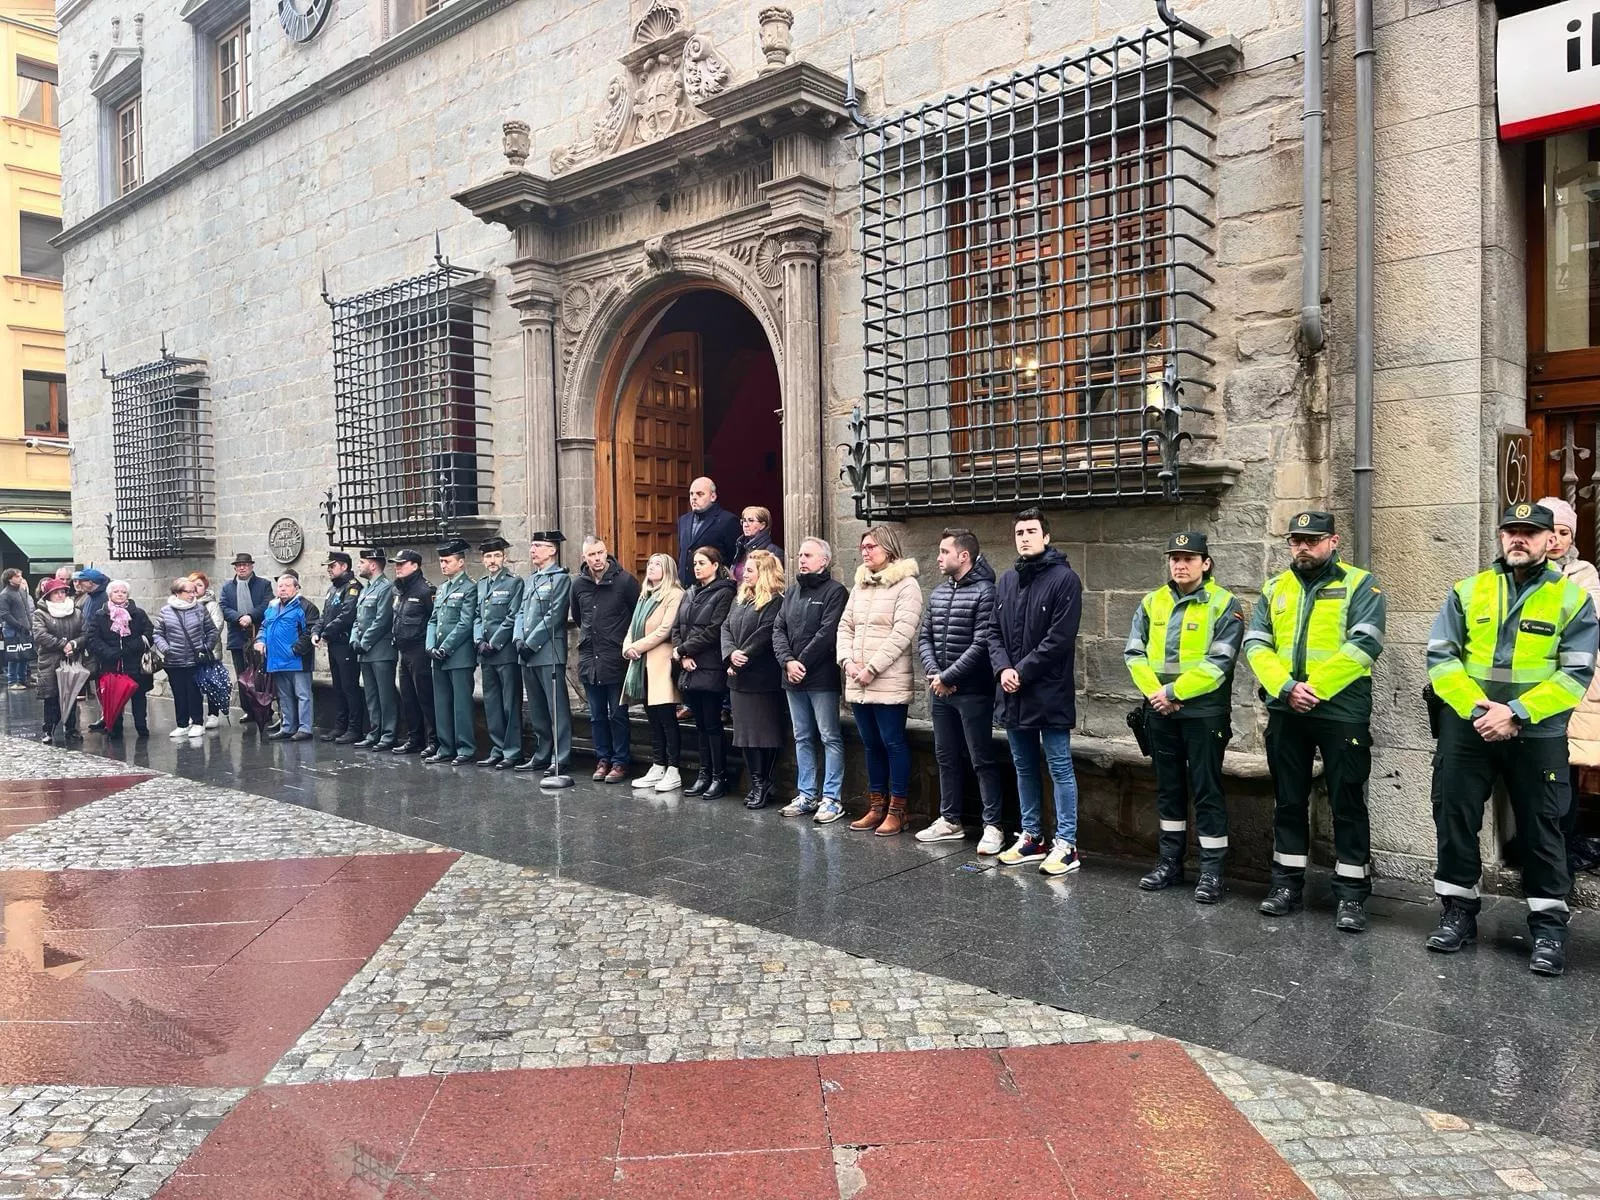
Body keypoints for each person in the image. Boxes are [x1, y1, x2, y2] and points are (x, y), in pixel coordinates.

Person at [1425, 502, 1599, 977]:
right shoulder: (1468, 590)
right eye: (1511, 532)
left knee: (1542, 829)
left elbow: (1576, 673)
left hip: (1536, 730)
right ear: (1501, 537)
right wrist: (1482, 710)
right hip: (1470, 727)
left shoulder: (1571, 598)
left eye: (1530, 532)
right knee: (1455, 819)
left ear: (1550, 541)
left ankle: (1548, 928)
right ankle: (1458, 912)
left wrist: (1516, 713)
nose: (1518, 539)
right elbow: (1441, 658)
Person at [1244, 510, 1387, 932]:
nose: (1303, 547)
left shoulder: (1360, 584)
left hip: (1341, 710)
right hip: (1287, 707)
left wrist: (1315, 688)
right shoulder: (1274, 588)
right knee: (1288, 799)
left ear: (1333, 541)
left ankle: (1351, 895)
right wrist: (1286, 687)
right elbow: (1256, 644)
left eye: (1312, 539)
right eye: (1295, 540)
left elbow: (1366, 643)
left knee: (1346, 800)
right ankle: (1286, 884)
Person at [1124, 533, 1247, 903]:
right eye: (1175, 558)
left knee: (1207, 789)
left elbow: (1220, 663)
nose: (1180, 564)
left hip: (1203, 713)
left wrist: (1174, 693)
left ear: (1205, 563)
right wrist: (1156, 695)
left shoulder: (1225, 604)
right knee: (1169, 789)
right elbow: (1134, 653)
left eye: (1189, 558)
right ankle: (1170, 863)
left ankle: (1210, 871)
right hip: (1160, 711)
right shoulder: (1152, 602)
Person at [993, 509, 1083, 875]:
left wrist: (1022, 671)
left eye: (1031, 531)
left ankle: (1067, 843)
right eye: (1019, 532)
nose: (1025, 537)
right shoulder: (1007, 580)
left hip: (1048, 690)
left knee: (1059, 765)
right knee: (1023, 765)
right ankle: (1032, 836)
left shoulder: (1065, 580)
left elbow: (1059, 639)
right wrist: (1002, 669)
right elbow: (991, 631)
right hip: (1013, 691)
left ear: (1046, 537)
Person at [915, 528, 1004, 851]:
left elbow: (983, 642)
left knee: (982, 759)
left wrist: (949, 675)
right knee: (946, 756)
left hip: (973, 691)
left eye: (944, 552)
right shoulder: (938, 593)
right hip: (940, 691)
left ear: (963, 556)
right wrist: (935, 674)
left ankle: (993, 825)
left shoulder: (986, 592)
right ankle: (950, 820)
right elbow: (924, 636)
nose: (938, 558)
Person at [838, 525, 923, 836]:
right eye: (863, 547)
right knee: (871, 744)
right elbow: (845, 626)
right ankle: (876, 806)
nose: (865, 551)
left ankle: (897, 810)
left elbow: (903, 633)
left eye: (871, 546)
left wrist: (871, 668)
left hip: (886, 679)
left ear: (888, 549)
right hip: (858, 679)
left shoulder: (906, 585)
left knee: (893, 742)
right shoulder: (860, 586)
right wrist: (847, 661)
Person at [1539, 496, 1600, 874]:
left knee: (1569, 766)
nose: (1557, 540)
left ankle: (1564, 840)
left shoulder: (1583, 573)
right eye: (1552, 532)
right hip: (1537, 682)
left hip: (1575, 683)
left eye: (1565, 533)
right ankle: (1544, 844)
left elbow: (1587, 618)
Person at [773, 537, 849, 823]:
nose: (801, 559)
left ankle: (831, 798)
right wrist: (787, 662)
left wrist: (800, 662)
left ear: (824, 560)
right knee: (802, 736)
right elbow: (778, 629)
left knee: (829, 736)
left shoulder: (835, 592)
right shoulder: (792, 593)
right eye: (800, 554)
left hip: (821, 678)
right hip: (792, 678)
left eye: (808, 555)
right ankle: (806, 794)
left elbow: (827, 634)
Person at [573, 536, 642, 783]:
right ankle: (603, 759)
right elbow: (579, 617)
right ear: (585, 558)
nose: (597, 559)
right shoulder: (578, 585)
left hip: (615, 658)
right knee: (596, 715)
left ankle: (621, 761)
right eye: (591, 555)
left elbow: (638, 617)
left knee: (618, 714)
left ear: (606, 553)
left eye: (600, 553)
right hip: (590, 659)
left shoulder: (625, 581)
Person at [723, 549, 787, 809]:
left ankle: (764, 782)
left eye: (750, 570)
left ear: (764, 573)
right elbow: (725, 627)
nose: (744, 574)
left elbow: (765, 633)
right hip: (738, 679)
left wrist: (742, 657)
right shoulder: (740, 599)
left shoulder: (776, 601)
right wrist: (730, 655)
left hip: (762, 679)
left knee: (764, 735)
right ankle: (756, 781)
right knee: (745, 736)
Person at [671, 546, 737, 796]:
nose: (696, 567)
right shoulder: (689, 593)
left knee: (712, 724)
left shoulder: (724, 593)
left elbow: (713, 629)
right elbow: (677, 626)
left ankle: (719, 777)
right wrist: (682, 654)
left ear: (715, 565)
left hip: (709, 664)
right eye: (695, 563)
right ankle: (703, 773)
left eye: (702, 563)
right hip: (688, 666)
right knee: (699, 724)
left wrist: (685, 651)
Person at [622, 552, 686, 792]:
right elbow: (633, 626)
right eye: (649, 564)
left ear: (668, 569)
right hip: (641, 663)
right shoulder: (644, 594)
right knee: (652, 718)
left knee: (667, 718)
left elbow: (664, 630)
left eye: (657, 564)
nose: (651, 568)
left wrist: (636, 647)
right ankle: (658, 764)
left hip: (660, 662)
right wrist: (627, 647)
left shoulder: (674, 594)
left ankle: (673, 768)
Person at [514, 531, 573, 778]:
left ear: (552, 550)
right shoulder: (530, 580)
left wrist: (531, 643)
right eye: (532, 545)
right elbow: (519, 612)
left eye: (538, 545)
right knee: (537, 707)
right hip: (526, 653)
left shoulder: (560, 579)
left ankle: (560, 757)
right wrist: (518, 638)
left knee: (555, 708)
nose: (533, 550)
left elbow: (555, 614)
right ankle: (542, 753)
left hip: (547, 652)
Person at [425, 539, 479, 765]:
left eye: (447, 561)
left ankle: (465, 748)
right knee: (442, 703)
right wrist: (430, 646)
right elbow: (433, 620)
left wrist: (446, 646)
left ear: (461, 563)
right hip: (438, 655)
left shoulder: (469, 587)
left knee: (461, 705)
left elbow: (465, 623)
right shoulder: (443, 588)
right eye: (441, 561)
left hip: (458, 656)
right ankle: (446, 747)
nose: (443, 565)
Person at [475, 536, 525, 769]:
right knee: (492, 703)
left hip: (504, 653)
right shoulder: (482, 583)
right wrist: (478, 640)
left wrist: (494, 642)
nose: (492, 560)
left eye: (496, 556)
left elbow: (512, 616)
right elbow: (477, 616)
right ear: (483, 560)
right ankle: (497, 748)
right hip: (485, 654)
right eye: (488, 556)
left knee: (509, 704)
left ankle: (513, 751)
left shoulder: (514, 583)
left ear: (504, 558)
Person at [154, 577, 219, 741]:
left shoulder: (200, 609)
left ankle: (198, 723)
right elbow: (158, 634)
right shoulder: (165, 611)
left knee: (194, 691)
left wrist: (206, 647)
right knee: (179, 692)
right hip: (173, 660)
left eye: (194, 591)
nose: (192, 595)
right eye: (188, 592)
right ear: (177, 593)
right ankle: (182, 724)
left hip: (195, 658)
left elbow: (212, 631)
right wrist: (166, 649)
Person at [86, 580, 152, 739]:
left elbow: (149, 633)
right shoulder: (101, 615)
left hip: (135, 664)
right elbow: (92, 638)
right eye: (116, 592)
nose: (120, 594)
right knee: (114, 698)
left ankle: (141, 726)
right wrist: (108, 652)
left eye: (123, 592)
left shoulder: (138, 613)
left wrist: (132, 647)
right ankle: (115, 727)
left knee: (139, 697)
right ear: (110, 594)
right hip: (111, 665)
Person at [310, 552, 365, 743]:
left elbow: (347, 615)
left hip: (345, 643)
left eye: (332, 566)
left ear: (344, 567)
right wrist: (316, 632)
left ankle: (354, 728)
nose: (329, 570)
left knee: (350, 687)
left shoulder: (353, 588)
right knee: (339, 687)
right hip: (333, 644)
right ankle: (340, 726)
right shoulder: (332, 589)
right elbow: (324, 615)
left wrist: (326, 633)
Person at [350, 549, 399, 751]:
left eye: (362, 562)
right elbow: (358, 618)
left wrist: (365, 641)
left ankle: (388, 734)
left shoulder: (386, 588)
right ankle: (374, 731)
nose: (359, 566)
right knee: (371, 695)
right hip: (365, 652)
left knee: (385, 695)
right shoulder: (366, 589)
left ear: (373, 565)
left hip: (380, 650)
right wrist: (354, 638)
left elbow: (383, 619)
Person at [255, 574, 314, 741]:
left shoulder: (305, 606)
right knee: (284, 695)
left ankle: (305, 728)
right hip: (276, 660)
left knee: (303, 695)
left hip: (297, 660)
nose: (282, 589)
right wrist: (260, 641)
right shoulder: (272, 606)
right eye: (280, 586)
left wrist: (295, 650)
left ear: (296, 588)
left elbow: (310, 630)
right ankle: (288, 726)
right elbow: (264, 626)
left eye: (287, 586)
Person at [391, 548, 437, 756]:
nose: (397, 567)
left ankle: (433, 740)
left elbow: (433, 620)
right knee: (408, 697)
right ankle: (414, 738)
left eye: (402, 564)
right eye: (396, 564)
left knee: (425, 698)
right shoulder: (400, 590)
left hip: (419, 651)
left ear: (415, 566)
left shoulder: (425, 590)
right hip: (404, 650)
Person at [220, 553, 272, 723]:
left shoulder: (264, 584)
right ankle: (248, 710)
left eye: (245, 564)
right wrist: (238, 618)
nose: (242, 568)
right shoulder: (228, 587)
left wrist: (250, 616)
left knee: (261, 674)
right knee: (242, 675)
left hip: (258, 635)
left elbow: (266, 604)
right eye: (239, 565)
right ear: (235, 568)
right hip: (237, 637)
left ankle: (265, 708)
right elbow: (224, 607)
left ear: (251, 566)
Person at [30, 577, 83, 741]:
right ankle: (48, 729)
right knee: (51, 696)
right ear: (48, 595)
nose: (60, 595)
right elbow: (40, 635)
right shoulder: (40, 614)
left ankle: (71, 728)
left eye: (62, 592)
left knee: (71, 693)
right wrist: (62, 644)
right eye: (56, 593)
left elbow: (84, 633)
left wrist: (73, 644)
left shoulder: (76, 611)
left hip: (71, 658)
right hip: (50, 660)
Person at [676, 476, 741, 587]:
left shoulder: (727, 520)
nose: (694, 498)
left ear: (713, 496)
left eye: (700, 494)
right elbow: (683, 552)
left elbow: (734, 558)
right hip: (686, 588)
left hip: (714, 588)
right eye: (691, 494)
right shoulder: (684, 520)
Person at [187, 571, 227, 728]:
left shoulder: (212, 605)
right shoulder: (185, 604)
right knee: (193, 685)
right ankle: (195, 715)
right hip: (190, 653)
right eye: (193, 585)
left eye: (200, 585)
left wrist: (203, 642)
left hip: (210, 651)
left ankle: (213, 714)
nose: (196, 588)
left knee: (212, 683)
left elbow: (217, 626)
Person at [74, 567, 110, 731]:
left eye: (81, 581)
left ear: (91, 582)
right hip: (91, 646)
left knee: (105, 683)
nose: (78, 584)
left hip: (103, 647)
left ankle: (110, 715)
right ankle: (105, 715)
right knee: (97, 683)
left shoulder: (104, 597)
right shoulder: (89, 597)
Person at [731, 507, 783, 583]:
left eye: (751, 520)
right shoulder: (741, 547)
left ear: (762, 525)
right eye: (744, 521)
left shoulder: (774, 552)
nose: (746, 525)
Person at [2, 568, 32, 690]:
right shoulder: (5, 594)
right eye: (17, 576)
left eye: (20, 576)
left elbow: (27, 610)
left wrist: (30, 625)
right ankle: (12, 681)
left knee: (24, 655)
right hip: (12, 629)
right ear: (10, 579)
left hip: (24, 628)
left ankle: (22, 679)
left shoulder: (21, 591)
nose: (20, 578)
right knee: (13, 655)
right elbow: (5, 614)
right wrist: (19, 625)